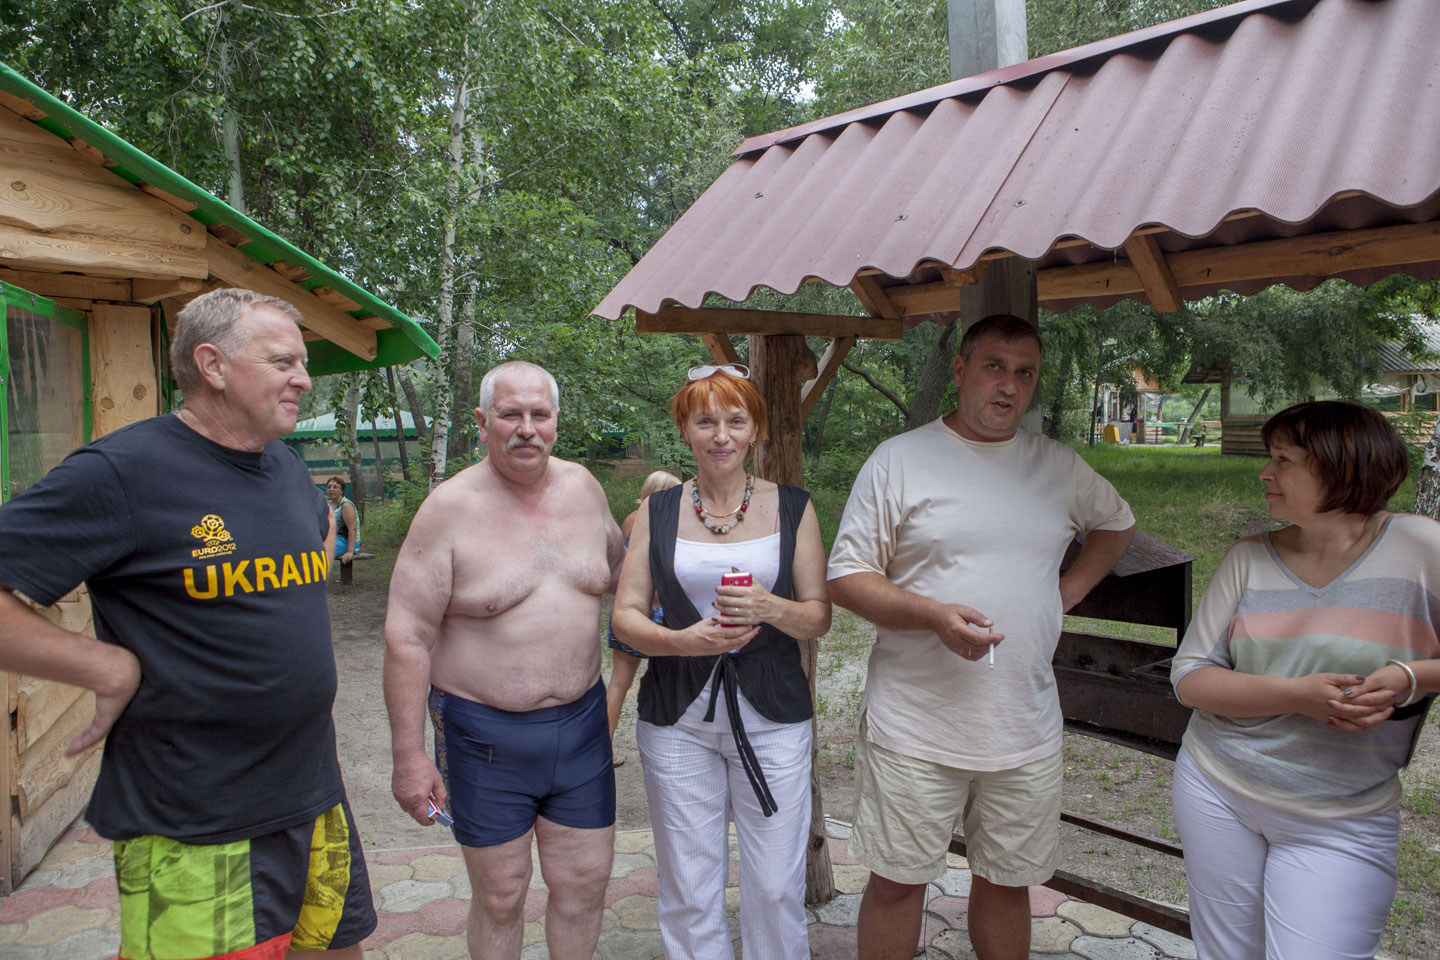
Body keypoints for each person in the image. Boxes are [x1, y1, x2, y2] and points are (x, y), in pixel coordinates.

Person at [0, 287, 374, 959]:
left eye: (303, 363)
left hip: (314, 795)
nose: (303, 378)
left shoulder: (287, 467)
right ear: (213, 365)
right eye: (283, 361)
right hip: (198, 820)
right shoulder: (123, 472)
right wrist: (104, 664)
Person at [827, 314, 1136, 960]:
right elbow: (847, 578)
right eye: (994, 366)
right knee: (897, 885)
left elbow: (1116, 522)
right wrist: (932, 616)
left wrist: (1067, 592)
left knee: (1006, 883)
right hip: (915, 726)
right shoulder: (900, 460)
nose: (1009, 385)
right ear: (961, 369)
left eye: (1025, 373)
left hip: (1022, 727)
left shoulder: (1057, 465)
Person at [1169, 400, 1439, 960]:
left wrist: (1410, 676)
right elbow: (1190, 678)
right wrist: (1298, 696)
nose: (1265, 474)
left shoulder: (1421, 548)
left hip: (1342, 816)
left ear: (1340, 466)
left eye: (1283, 460)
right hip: (1216, 788)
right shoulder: (1248, 557)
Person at [383, 360, 625, 960]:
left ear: (556, 421)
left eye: (539, 414)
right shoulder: (449, 509)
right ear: (482, 421)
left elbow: (626, 579)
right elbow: (406, 636)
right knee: (501, 895)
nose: (526, 428)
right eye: (511, 415)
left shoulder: (585, 489)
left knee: (585, 884)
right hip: (484, 735)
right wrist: (409, 756)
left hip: (582, 725)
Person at [611, 363, 831, 960]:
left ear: (755, 429)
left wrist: (770, 606)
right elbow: (625, 617)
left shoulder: (793, 507)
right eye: (705, 421)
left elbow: (818, 616)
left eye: (736, 420)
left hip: (774, 715)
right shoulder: (658, 512)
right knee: (688, 887)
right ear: (685, 429)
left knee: (775, 886)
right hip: (676, 718)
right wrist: (684, 642)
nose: (721, 435)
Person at [605, 469, 682, 766]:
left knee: (618, 683)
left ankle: (603, 748)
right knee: (672, 681)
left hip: (628, 607)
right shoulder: (671, 521)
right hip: (659, 608)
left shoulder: (630, 519)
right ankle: (676, 749)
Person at [326, 475, 360, 572]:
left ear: (342, 490)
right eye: (329, 487)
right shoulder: (329, 505)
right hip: (335, 539)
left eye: (335, 487)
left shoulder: (346, 505)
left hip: (348, 542)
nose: (331, 489)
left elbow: (353, 529)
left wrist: (349, 552)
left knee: (320, 552)